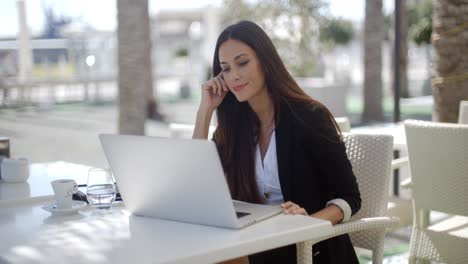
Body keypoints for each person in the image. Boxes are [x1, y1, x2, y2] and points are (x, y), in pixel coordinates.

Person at [193, 20, 361, 264]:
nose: (234, 76)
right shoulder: (234, 128)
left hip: (308, 248)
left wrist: (308, 222)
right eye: (225, 68)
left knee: (218, 256)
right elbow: (196, 185)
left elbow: (350, 197)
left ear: (265, 61)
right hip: (253, 240)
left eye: (242, 62)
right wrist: (205, 111)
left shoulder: (310, 117)